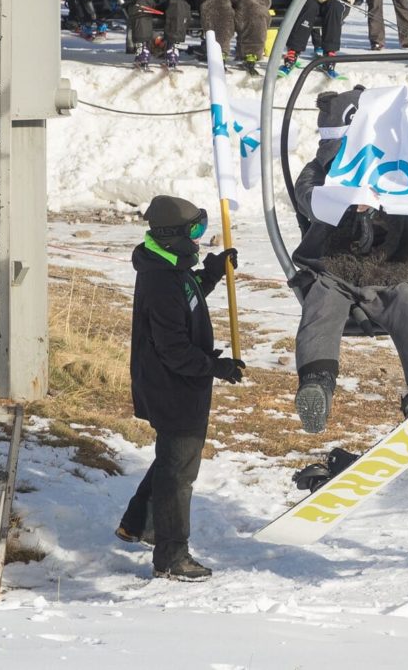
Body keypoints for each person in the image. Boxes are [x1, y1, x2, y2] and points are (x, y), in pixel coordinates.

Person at [289, 88, 408, 434]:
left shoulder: (393, 162)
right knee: (320, 311)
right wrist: (349, 204)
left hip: (389, 269)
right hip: (334, 267)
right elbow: (309, 198)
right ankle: (317, 383)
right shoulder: (319, 171)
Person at [117, 196, 243, 582]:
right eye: (195, 232)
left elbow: (187, 302)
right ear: (172, 235)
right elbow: (173, 350)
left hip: (178, 384)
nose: (199, 239)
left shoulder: (170, 266)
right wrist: (215, 367)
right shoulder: (161, 280)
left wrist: (212, 273)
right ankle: (171, 556)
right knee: (178, 473)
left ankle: (137, 523)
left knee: (172, 458)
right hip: (173, 387)